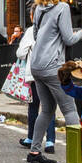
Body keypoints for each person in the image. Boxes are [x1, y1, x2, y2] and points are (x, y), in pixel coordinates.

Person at [26, 0, 82, 163]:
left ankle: (34, 153)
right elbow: (68, 39)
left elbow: (37, 34)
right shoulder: (62, 7)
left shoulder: (39, 8)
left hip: (36, 64)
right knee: (70, 109)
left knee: (46, 109)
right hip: (53, 66)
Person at [17, 14, 55, 153]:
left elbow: (20, 53)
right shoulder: (54, 28)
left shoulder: (31, 31)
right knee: (49, 108)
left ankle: (31, 138)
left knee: (33, 107)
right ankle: (50, 141)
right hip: (52, 72)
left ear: (33, 15)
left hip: (35, 73)